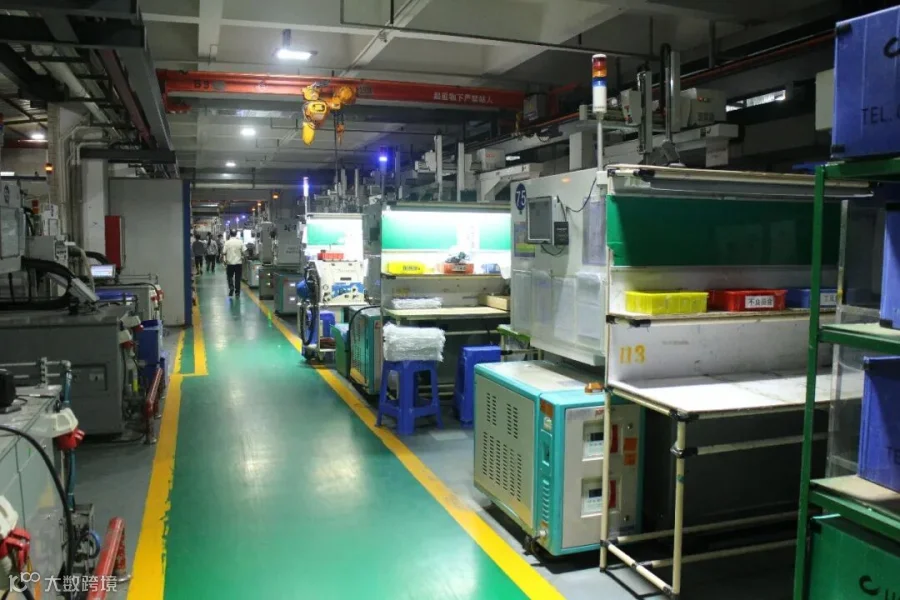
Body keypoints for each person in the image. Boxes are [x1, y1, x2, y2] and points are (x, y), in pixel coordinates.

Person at [223, 229, 245, 297]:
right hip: (238, 263)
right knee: (238, 278)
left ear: (230, 234)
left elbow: (224, 252)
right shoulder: (240, 242)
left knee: (229, 277)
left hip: (230, 263)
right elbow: (244, 252)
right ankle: (237, 292)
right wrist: (243, 256)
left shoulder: (227, 242)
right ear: (236, 234)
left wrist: (224, 260)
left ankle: (231, 288)